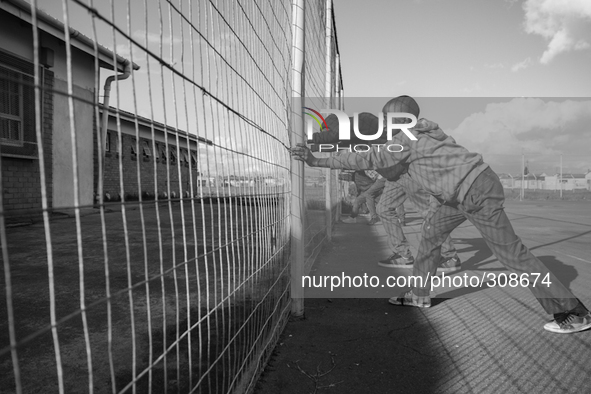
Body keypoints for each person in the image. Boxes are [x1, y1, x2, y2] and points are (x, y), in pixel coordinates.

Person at [291, 95, 591, 334]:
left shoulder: (406, 138)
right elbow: (387, 159)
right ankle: (419, 294)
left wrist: (318, 160)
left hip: (475, 191)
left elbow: (372, 157)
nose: (387, 122)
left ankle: (573, 312)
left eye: (389, 117)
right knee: (431, 235)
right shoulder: (423, 132)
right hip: (460, 194)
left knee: (513, 255)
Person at [310, 112, 461, 274]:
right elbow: (344, 144)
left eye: (329, 131)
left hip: (409, 171)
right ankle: (403, 254)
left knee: (427, 213)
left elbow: (336, 136)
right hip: (394, 175)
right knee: (384, 209)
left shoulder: (362, 121)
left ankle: (450, 256)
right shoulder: (355, 134)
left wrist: (313, 138)